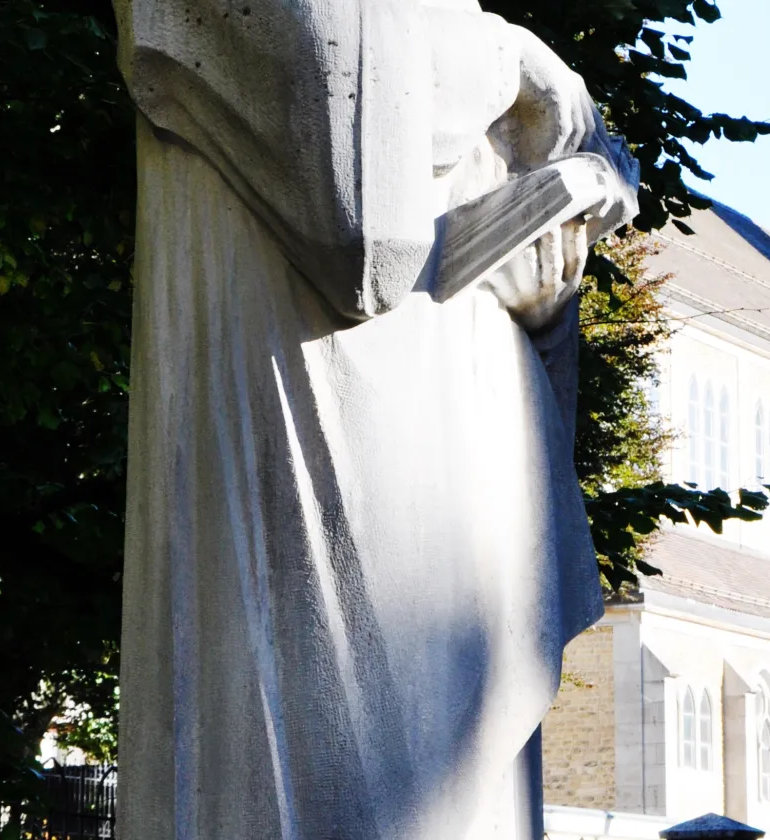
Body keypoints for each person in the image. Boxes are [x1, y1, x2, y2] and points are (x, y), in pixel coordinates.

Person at [111, 0, 636, 836]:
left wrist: (547, 289)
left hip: (465, 496)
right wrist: (516, 62)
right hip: (344, 466)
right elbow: (364, 230)